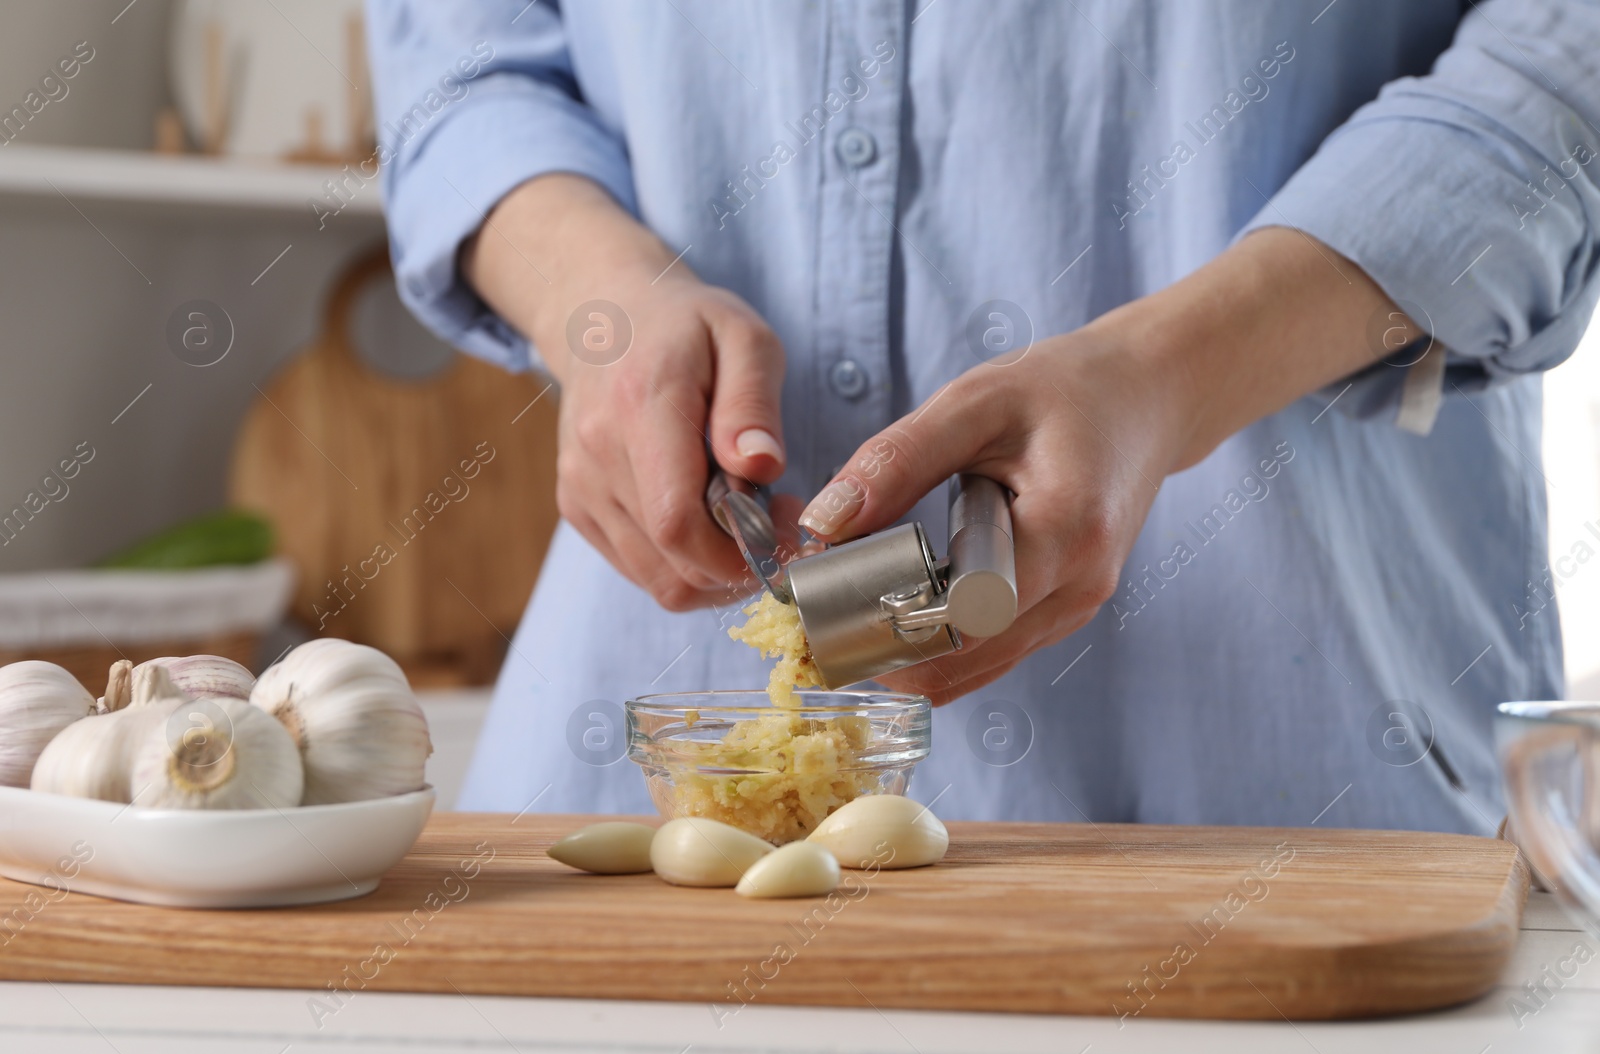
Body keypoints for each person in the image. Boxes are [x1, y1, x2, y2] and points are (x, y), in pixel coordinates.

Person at [366, 1, 1600, 832]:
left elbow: (1558, 60)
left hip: (1290, 803)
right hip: (641, 788)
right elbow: (458, 54)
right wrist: (595, 295)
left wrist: (1169, 373)